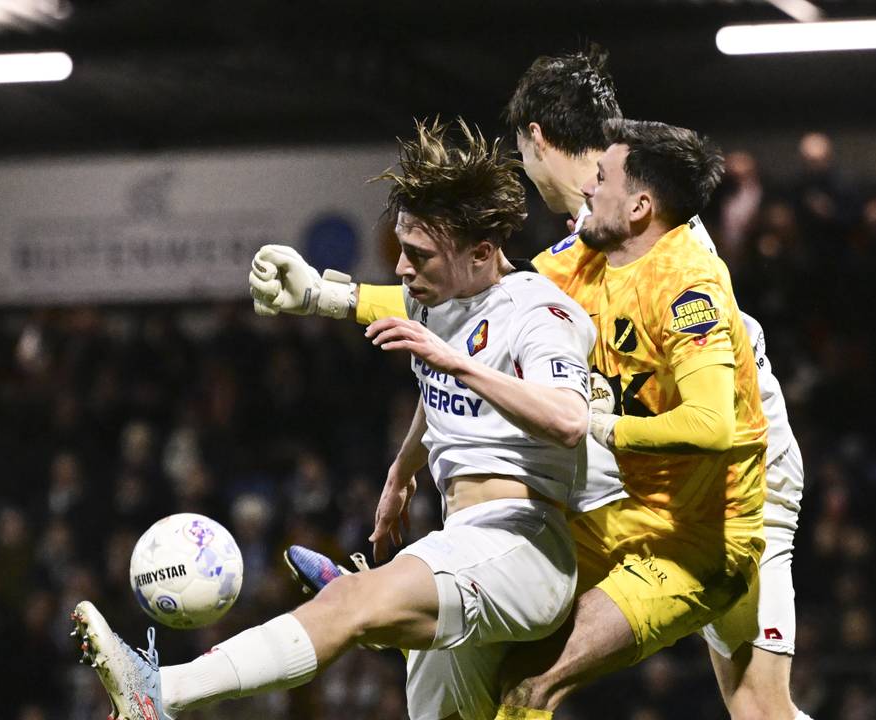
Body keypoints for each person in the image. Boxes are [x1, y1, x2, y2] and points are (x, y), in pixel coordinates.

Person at [263, 47, 812, 720]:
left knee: (756, 706)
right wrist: (330, 299)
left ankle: (389, 607)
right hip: (638, 482)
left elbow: (706, 417)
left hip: (732, 484)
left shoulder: (654, 241)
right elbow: (470, 307)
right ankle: (392, 605)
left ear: (536, 139)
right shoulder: (593, 235)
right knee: (518, 655)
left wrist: (328, 299)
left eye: (521, 155)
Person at [74, 118, 599, 720]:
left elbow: (569, 420)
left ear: (482, 252)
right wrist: (402, 470)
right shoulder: (440, 300)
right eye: (401, 250)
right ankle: (376, 613)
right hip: (460, 542)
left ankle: (160, 691)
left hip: (522, 546)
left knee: (350, 603)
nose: (403, 269)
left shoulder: (541, 313)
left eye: (419, 256)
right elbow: (443, 393)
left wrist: (454, 361)